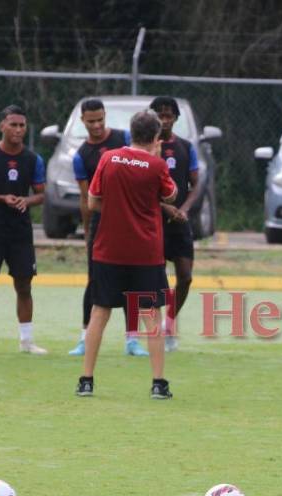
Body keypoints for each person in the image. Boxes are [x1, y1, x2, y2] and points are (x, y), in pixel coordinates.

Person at [75, 110, 177, 398]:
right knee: (151, 314)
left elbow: (94, 201)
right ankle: (159, 383)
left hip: (108, 249)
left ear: (131, 132)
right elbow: (170, 195)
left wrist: (119, 212)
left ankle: (86, 379)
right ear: (156, 137)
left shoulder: (108, 158)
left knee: (100, 311)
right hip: (145, 251)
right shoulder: (156, 165)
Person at [68, 98, 148, 357]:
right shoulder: (82, 155)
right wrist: (88, 230)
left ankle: (132, 340)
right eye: (91, 121)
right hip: (102, 223)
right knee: (95, 280)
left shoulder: (124, 139)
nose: (97, 125)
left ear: (105, 116)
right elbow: (86, 198)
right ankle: (84, 337)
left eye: (100, 119)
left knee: (132, 279)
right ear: (83, 121)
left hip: (129, 221)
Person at [0, 105, 47, 355]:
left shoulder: (33, 159)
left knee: (24, 286)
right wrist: (1, 198)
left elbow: (41, 194)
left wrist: (25, 201)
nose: (18, 129)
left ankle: (27, 341)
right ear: (2, 125)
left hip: (20, 232)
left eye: (22, 125)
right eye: (13, 124)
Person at [148, 97, 199, 353]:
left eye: (168, 115)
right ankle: (145, 332)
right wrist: (164, 206)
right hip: (152, 222)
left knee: (186, 277)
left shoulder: (185, 147)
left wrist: (183, 209)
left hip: (178, 223)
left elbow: (195, 183)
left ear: (175, 118)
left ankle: (170, 324)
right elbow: (141, 188)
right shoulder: (145, 148)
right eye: (159, 115)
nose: (163, 120)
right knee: (154, 280)